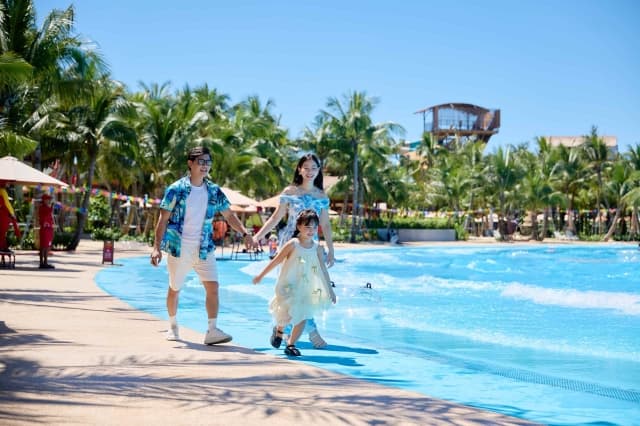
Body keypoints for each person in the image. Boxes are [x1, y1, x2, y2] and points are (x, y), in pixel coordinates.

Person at [150, 146, 253, 344]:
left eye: (208, 162)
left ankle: (212, 330)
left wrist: (245, 233)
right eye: (201, 162)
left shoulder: (214, 191)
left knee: (213, 287)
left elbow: (229, 215)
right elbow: (163, 220)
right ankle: (173, 326)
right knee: (174, 289)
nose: (205, 166)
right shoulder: (176, 189)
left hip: (204, 248)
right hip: (180, 247)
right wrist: (156, 248)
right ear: (190, 163)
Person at [252, 153, 335, 348]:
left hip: (311, 248)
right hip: (290, 245)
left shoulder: (321, 196)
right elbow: (275, 218)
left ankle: (285, 328)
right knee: (289, 289)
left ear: (319, 170)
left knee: (306, 289)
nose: (310, 171)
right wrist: (258, 236)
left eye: (314, 168)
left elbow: (325, 225)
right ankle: (302, 329)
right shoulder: (290, 191)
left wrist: (331, 250)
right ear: (299, 169)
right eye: (306, 167)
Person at [252, 209, 336, 357]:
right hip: (288, 286)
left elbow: (323, 270)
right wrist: (261, 275)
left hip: (306, 289)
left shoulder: (317, 248)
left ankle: (291, 344)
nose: (311, 231)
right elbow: (276, 260)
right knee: (285, 315)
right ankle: (279, 330)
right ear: (299, 227)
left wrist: (330, 290)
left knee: (302, 315)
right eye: (307, 227)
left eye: (314, 227)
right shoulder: (293, 244)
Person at [0, 184, 21, 251]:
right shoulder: (2, 191)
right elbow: (7, 203)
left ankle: (3, 246)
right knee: (2, 233)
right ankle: (2, 247)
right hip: (3, 216)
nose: (8, 184)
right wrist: (12, 213)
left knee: (2, 233)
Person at [38, 193, 55, 269]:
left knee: (46, 246)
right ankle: (43, 263)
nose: (49, 200)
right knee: (44, 246)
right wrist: (52, 206)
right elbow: (49, 211)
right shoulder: (43, 208)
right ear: (44, 200)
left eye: (49, 199)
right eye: (48, 199)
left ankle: (45, 262)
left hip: (48, 229)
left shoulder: (46, 207)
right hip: (45, 229)